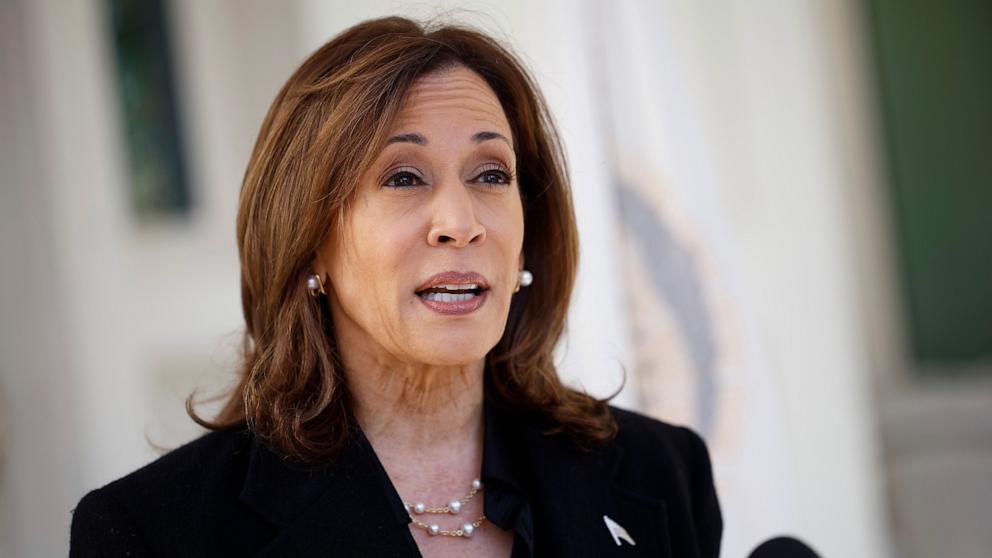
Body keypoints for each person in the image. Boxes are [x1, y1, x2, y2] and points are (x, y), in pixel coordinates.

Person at [69, 16, 722, 558]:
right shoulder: (152, 532)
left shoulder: (661, 474)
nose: (460, 224)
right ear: (309, 240)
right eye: (404, 178)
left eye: (491, 174)